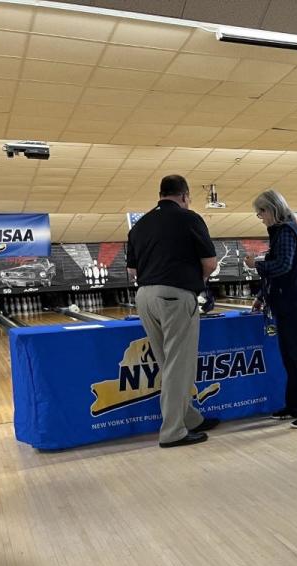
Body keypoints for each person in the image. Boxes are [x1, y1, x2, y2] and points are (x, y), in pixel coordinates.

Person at [126, 174, 219, 448]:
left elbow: (133, 270)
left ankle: (189, 417)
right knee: (180, 365)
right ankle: (172, 432)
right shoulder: (189, 218)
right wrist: (196, 283)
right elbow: (210, 263)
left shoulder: (139, 225)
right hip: (175, 296)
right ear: (184, 195)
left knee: (168, 363)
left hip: (144, 297)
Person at [247, 189, 297, 428]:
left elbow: (282, 266)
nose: (261, 217)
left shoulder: (286, 231)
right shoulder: (282, 232)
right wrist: (262, 296)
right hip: (286, 300)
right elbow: (279, 274)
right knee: (290, 357)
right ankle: (295, 405)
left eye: (261, 212)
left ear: (272, 209)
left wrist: (256, 264)